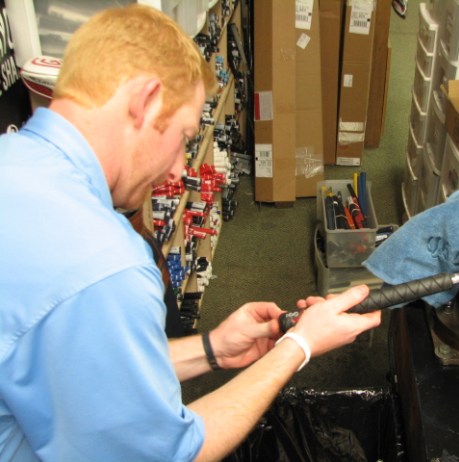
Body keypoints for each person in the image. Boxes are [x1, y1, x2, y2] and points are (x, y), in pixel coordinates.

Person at [0, 5, 381, 462]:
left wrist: (212, 348)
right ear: (144, 101)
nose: (179, 169)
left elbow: (87, 373)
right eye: (182, 136)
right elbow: (171, 455)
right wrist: (299, 346)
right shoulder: (104, 266)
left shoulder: (13, 160)